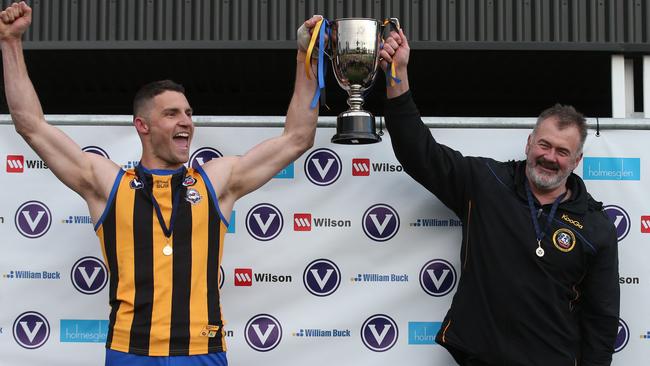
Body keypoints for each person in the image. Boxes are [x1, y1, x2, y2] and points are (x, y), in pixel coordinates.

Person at [1, 2, 322, 365]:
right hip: (130, 351)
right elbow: (31, 125)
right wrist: (11, 42)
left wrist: (305, 58)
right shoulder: (109, 184)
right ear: (143, 126)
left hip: (202, 351)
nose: (185, 121)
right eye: (171, 114)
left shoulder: (215, 182)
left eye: (188, 113)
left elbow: (298, 137)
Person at [379, 29, 620, 366]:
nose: (551, 157)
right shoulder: (485, 182)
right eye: (544, 144)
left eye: (563, 151)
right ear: (529, 143)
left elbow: (602, 321)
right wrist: (397, 74)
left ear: (577, 160)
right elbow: (417, 151)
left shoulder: (596, 228)